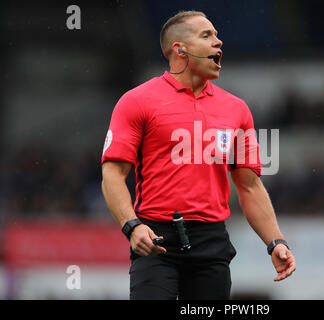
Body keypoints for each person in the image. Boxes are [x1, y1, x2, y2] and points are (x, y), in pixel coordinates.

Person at [101, 10, 296, 300]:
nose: (218, 42)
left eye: (217, 36)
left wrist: (275, 241)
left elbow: (249, 185)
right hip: (155, 239)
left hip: (212, 244)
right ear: (179, 49)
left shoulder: (237, 109)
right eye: (207, 36)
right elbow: (112, 175)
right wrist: (132, 226)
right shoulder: (136, 102)